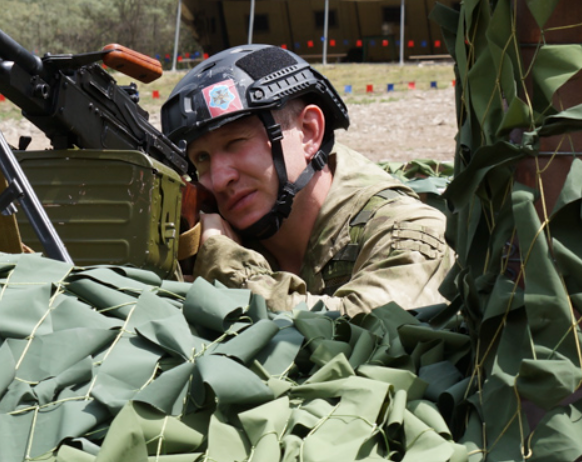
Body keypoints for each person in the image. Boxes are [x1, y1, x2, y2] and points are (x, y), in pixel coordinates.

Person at [161, 44, 452, 316]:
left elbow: (369, 334)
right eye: (202, 159)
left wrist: (230, 270)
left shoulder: (406, 230)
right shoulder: (222, 235)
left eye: (236, 142)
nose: (220, 179)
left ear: (308, 132)